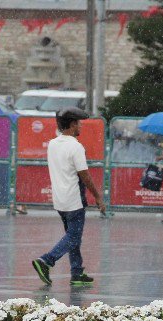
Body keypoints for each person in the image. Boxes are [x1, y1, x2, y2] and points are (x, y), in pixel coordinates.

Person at [31, 107, 105, 287]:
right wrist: (98, 196)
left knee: (72, 235)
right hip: (74, 200)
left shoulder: (53, 144)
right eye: (79, 123)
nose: (80, 126)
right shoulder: (75, 147)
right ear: (72, 124)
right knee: (73, 237)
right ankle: (46, 261)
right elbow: (84, 175)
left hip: (59, 200)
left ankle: (77, 272)